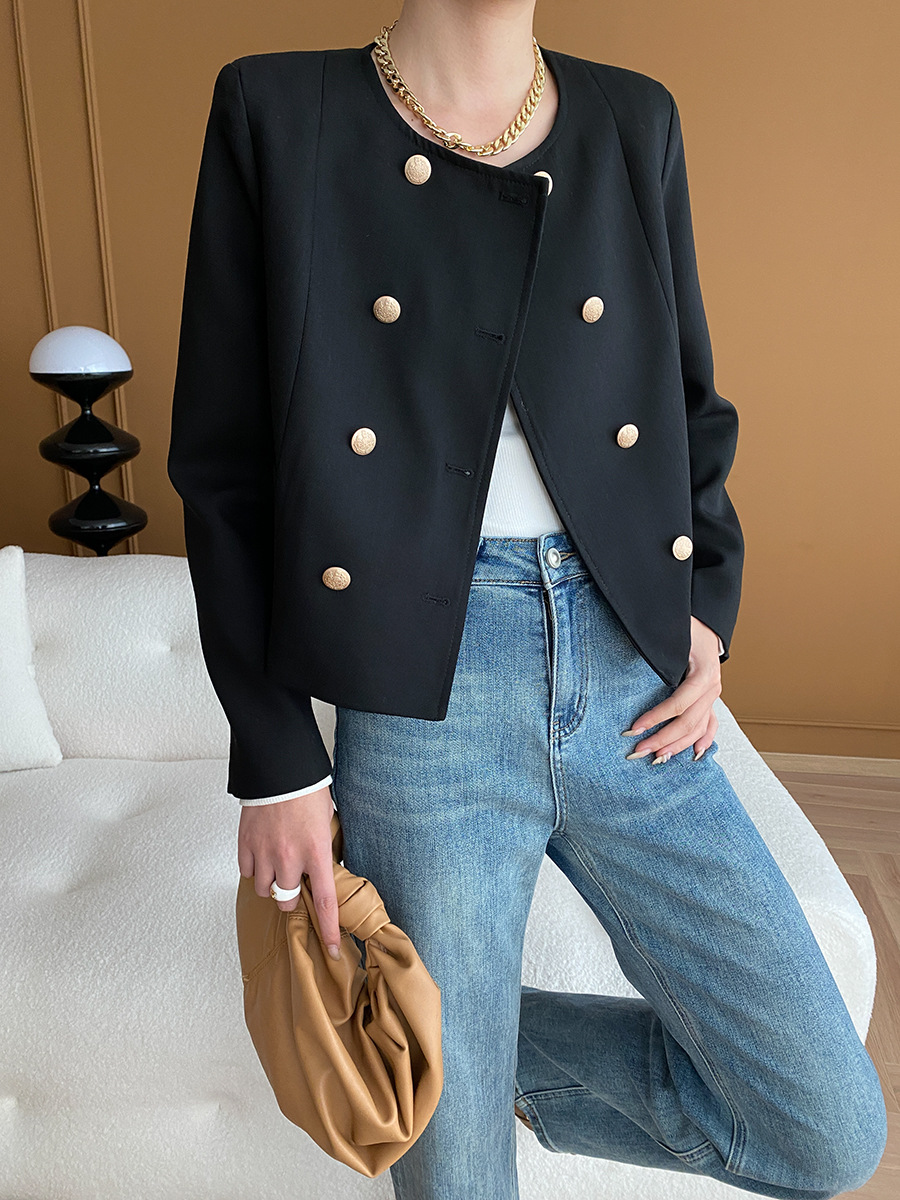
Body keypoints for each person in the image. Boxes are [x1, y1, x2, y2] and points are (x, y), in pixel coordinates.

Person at [168, 2, 888, 1197]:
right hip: (423, 698)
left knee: (827, 1129)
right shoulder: (280, 111)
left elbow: (685, 396)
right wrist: (277, 760)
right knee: (457, 1183)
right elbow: (225, 464)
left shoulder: (631, 118)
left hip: (629, 676)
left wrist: (703, 604)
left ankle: (459, 1040)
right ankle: (447, 1046)